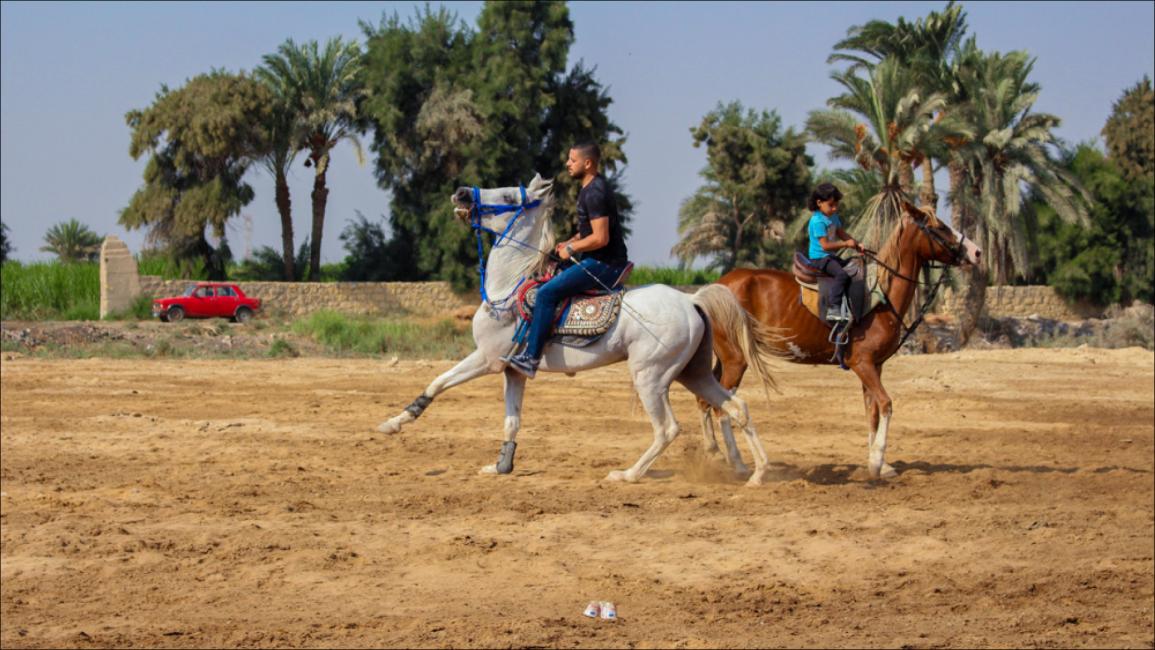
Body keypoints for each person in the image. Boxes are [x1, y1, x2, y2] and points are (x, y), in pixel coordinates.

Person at [502, 143, 630, 378]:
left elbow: (601, 237)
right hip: (597, 260)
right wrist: (570, 241)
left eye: (572, 160)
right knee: (551, 275)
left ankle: (531, 359)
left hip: (605, 265)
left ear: (588, 163)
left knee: (546, 294)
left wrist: (572, 248)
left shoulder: (595, 192)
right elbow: (590, 230)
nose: (567, 164)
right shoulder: (591, 189)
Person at [807, 183, 863, 321]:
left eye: (836, 205)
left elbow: (842, 233)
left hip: (830, 257)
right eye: (831, 205)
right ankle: (834, 308)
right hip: (820, 258)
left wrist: (856, 244)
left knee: (853, 267)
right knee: (842, 275)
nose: (835, 208)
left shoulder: (833, 217)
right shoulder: (817, 221)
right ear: (819, 202)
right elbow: (825, 245)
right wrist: (845, 244)